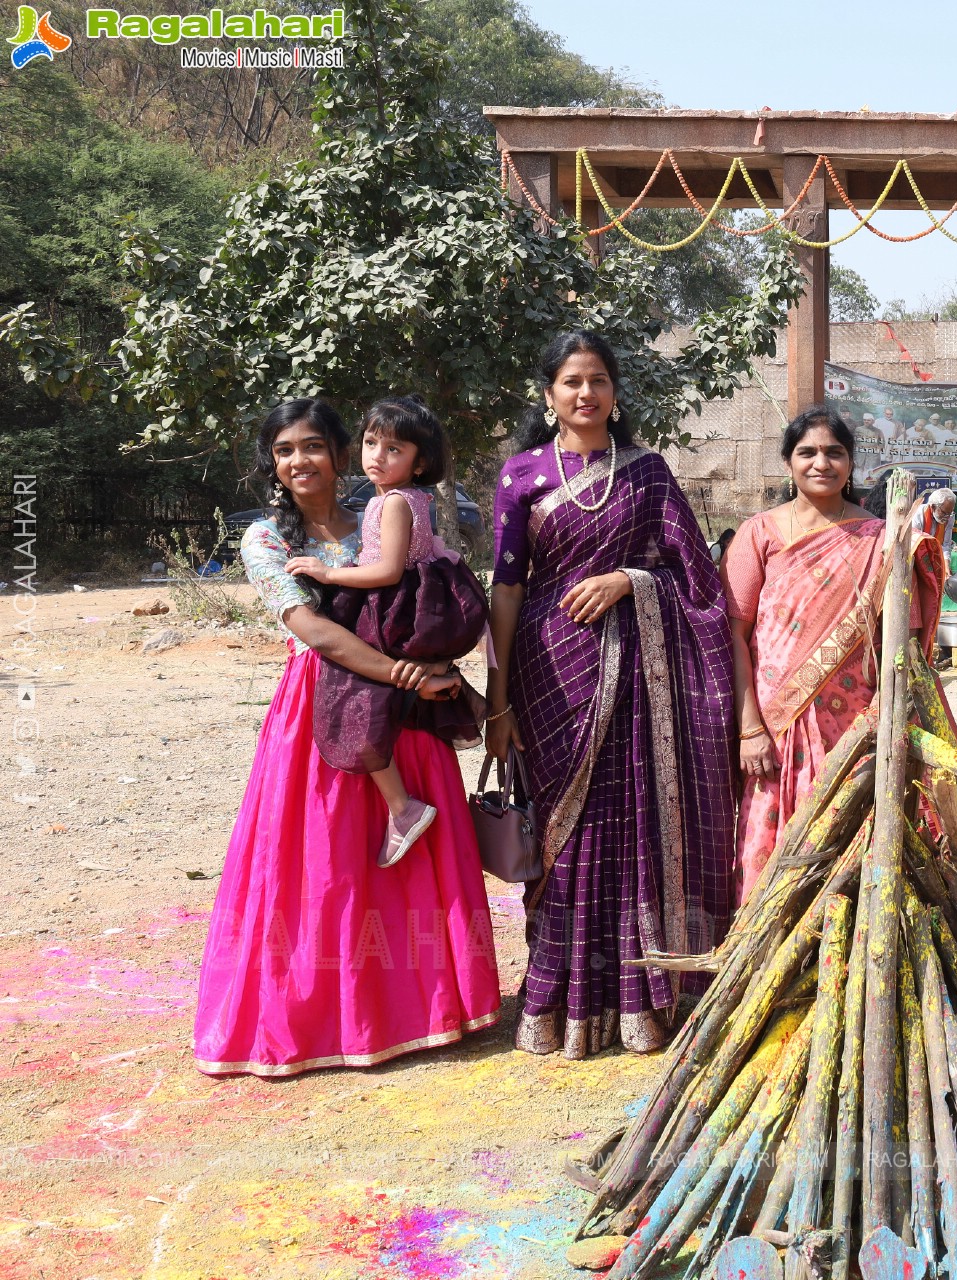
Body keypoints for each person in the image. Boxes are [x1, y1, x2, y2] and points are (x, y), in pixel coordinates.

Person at [194, 400, 500, 1077]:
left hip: (404, 712)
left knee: (406, 863)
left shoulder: (379, 516)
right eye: (282, 451)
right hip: (319, 714)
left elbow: (418, 592)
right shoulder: (265, 541)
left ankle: (420, 1010)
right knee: (324, 866)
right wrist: (404, 675)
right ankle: (315, 1019)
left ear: (337, 452)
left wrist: (430, 671)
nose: (298, 461)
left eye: (310, 446)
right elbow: (312, 628)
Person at [486, 331, 737, 1059]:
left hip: (635, 676)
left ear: (615, 392)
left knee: (629, 831)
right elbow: (506, 587)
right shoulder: (521, 474)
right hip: (547, 672)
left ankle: (636, 1000)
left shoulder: (649, 474)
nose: (585, 393)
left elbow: (697, 581)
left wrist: (632, 581)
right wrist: (498, 699)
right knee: (561, 838)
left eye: (597, 379)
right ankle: (556, 1000)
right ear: (549, 395)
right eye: (570, 381)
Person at [725, 406, 943, 892]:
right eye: (807, 452)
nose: (820, 462)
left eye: (834, 452)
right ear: (788, 462)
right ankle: (767, 951)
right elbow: (732, 634)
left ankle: (844, 956)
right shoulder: (760, 533)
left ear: (850, 464)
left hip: (855, 720)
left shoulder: (882, 538)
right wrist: (749, 729)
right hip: (775, 723)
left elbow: (900, 642)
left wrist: (891, 720)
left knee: (852, 832)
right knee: (772, 841)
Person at [286, 397, 487, 868]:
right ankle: (468, 697)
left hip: (394, 605)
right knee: (386, 684)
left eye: (394, 449)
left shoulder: (393, 502)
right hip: (413, 602)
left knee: (354, 693)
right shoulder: (400, 499)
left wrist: (329, 574)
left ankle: (402, 806)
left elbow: (388, 569)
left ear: (421, 460)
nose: (377, 455)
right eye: (372, 443)